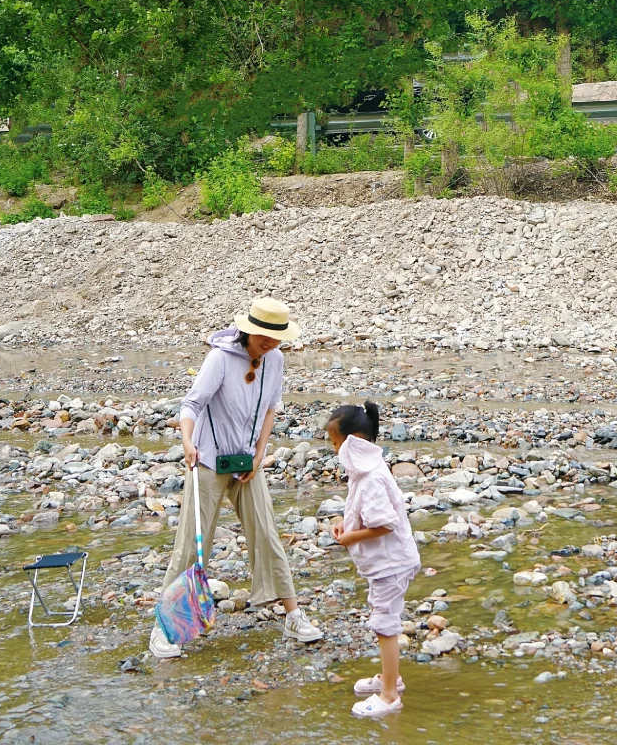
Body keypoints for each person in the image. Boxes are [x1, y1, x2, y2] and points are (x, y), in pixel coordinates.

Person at [148, 296, 323, 659]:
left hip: (246, 462)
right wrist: (187, 442)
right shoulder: (220, 358)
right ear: (248, 331)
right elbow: (191, 405)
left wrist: (260, 453)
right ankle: (163, 628)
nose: (270, 344)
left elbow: (271, 407)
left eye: (276, 338)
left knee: (267, 532)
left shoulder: (275, 360)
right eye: (264, 338)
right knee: (192, 544)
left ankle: (293, 616)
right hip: (209, 461)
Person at [327, 400, 421, 719]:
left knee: (384, 624)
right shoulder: (364, 470)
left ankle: (390, 694)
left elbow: (384, 523)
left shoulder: (370, 477)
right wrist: (346, 525)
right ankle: (389, 677)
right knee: (383, 617)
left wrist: (351, 538)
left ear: (354, 441)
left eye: (337, 443)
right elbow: (362, 512)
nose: (335, 450)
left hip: (392, 563)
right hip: (389, 562)